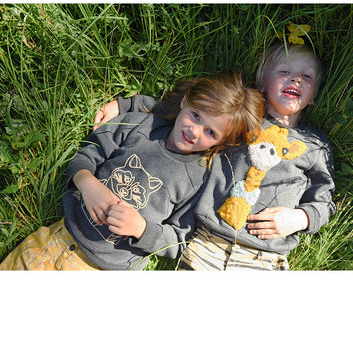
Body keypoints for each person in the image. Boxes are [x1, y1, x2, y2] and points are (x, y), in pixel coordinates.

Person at [93, 42, 336, 270]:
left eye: (307, 77)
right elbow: (188, 112)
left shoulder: (315, 146)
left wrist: (299, 218)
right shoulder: (242, 119)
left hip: (266, 254)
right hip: (207, 242)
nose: (296, 79)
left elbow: (324, 201)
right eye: (285, 71)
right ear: (262, 84)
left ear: (313, 97)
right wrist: (127, 106)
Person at [0, 71, 265, 270]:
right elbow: (87, 155)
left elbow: (179, 239)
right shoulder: (141, 126)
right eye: (196, 115)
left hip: (106, 270)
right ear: (185, 101)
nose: (194, 131)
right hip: (56, 238)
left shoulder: (198, 180)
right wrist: (87, 183)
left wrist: (141, 229)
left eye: (210, 132)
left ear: (221, 142)